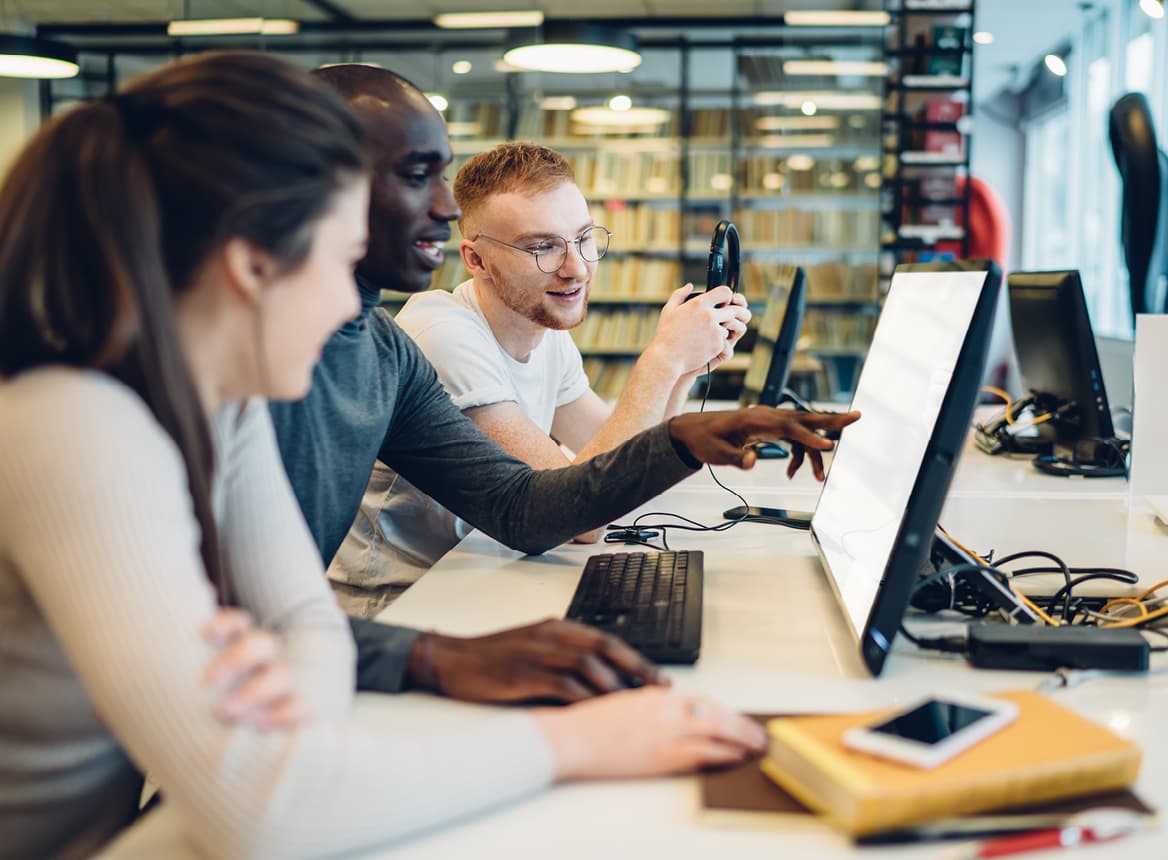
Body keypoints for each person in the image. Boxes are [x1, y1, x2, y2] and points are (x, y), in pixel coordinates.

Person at [0, 52, 859, 859]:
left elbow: (299, 629)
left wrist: (301, 680)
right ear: (249, 266)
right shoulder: (74, 425)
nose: (354, 307)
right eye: (341, 263)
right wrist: (577, 742)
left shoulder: (230, 406)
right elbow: (263, 805)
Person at [269, 64, 855, 707]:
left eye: (582, 240)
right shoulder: (394, 340)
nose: (443, 210)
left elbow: (530, 506)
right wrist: (659, 366)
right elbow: (240, 619)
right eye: (417, 177)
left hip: (392, 627)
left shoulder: (382, 349)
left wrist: (685, 415)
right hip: (377, 626)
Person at [329, 141, 752, 605]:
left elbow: (632, 469)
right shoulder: (442, 335)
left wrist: (685, 369)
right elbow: (581, 518)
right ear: (475, 260)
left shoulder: (544, 329)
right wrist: (661, 360)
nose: (576, 268)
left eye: (584, 238)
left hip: (486, 571)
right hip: (402, 599)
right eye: (542, 247)